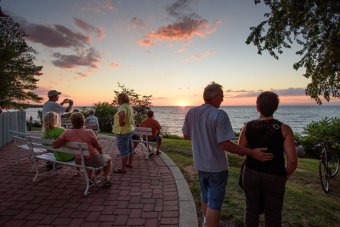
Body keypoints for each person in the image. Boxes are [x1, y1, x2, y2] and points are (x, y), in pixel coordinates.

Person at [182, 82, 273, 227]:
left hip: (200, 164)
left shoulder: (192, 112)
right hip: (217, 167)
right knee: (215, 204)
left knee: (205, 197)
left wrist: (203, 136)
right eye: (222, 97)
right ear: (216, 97)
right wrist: (251, 152)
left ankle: (206, 222)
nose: (223, 100)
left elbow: (186, 135)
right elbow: (224, 144)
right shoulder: (220, 114)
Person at [238, 91, 298, 227]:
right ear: (276, 107)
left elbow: (240, 150)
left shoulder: (247, 126)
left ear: (257, 107)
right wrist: (284, 176)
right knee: (273, 214)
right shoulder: (284, 129)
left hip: (251, 173)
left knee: (251, 210)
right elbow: (293, 161)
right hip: (275, 175)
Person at [53, 112, 112, 187]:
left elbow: (55, 145)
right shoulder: (89, 132)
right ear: (83, 121)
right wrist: (102, 153)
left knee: (87, 157)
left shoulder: (67, 132)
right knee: (109, 159)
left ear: (72, 122)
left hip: (79, 161)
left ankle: (89, 178)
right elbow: (98, 146)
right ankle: (105, 178)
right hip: (93, 160)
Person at [112, 93, 135, 173]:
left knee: (123, 150)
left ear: (121, 99)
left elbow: (122, 113)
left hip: (122, 131)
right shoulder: (129, 106)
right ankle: (129, 163)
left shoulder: (122, 106)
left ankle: (123, 169)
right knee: (129, 148)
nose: (117, 100)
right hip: (129, 130)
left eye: (118, 98)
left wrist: (121, 122)